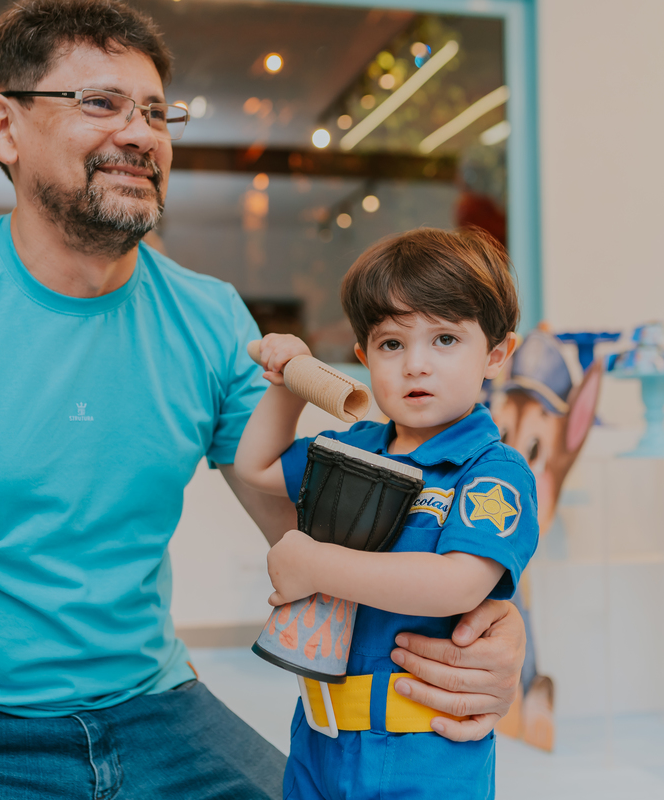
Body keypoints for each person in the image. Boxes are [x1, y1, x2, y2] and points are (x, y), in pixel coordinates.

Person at [0, 2, 529, 799]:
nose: (141, 133)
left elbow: (315, 538)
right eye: (101, 103)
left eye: (158, 112)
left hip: (156, 708)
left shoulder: (210, 318)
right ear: (3, 127)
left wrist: (491, 624)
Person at [235, 228, 539, 799]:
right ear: (363, 356)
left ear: (496, 355)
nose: (415, 365)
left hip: (424, 752)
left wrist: (315, 564)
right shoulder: (354, 446)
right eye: (391, 345)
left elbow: (455, 585)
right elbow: (257, 467)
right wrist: (288, 385)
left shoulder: (491, 473)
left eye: (445, 339)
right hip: (320, 737)